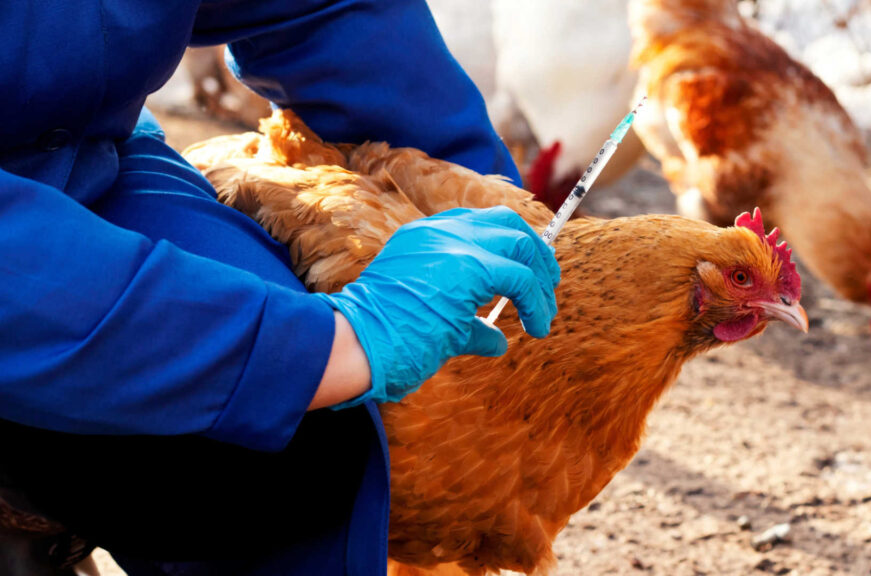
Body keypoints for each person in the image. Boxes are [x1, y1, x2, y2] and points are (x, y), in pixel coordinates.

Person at [0, 1, 559, 574]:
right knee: (277, 388)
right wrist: (324, 346)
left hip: (90, 155)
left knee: (301, 451)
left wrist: (475, 199)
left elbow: (325, 10)